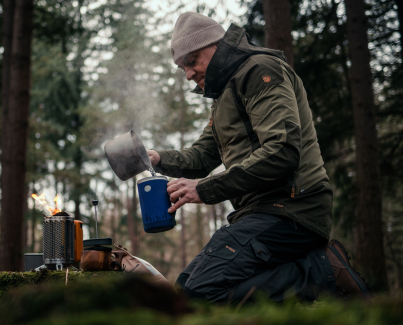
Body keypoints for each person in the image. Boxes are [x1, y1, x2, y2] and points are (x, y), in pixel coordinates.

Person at [146, 12, 371, 303]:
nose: (188, 73)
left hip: (292, 207)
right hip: (257, 213)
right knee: (185, 290)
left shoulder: (260, 71)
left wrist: (203, 189)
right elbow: (202, 156)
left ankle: (323, 270)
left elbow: (282, 152)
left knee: (197, 293)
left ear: (216, 45)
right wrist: (155, 158)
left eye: (192, 61)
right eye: (181, 67)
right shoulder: (224, 94)